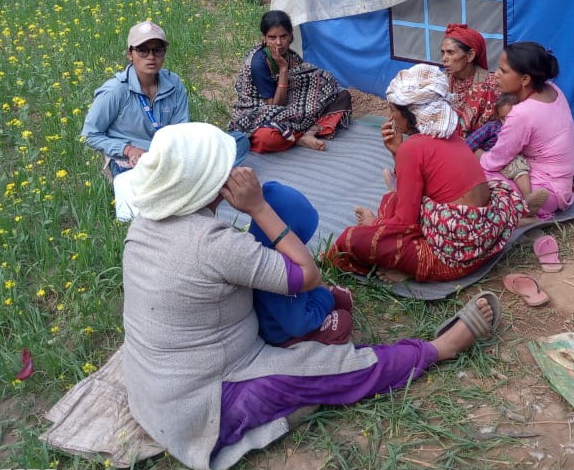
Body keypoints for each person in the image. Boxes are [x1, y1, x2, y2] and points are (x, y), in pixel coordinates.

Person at [119, 122, 501, 470]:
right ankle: (438, 349)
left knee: (306, 332)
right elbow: (307, 274)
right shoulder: (214, 245)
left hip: (150, 387)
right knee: (334, 367)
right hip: (205, 403)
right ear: (209, 182)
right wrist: (259, 207)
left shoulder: (143, 224)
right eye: (226, 169)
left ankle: (290, 403)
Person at [325, 64, 522, 283]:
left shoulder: (413, 148)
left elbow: (405, 222)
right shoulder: (451, 135)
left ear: (411, 113)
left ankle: (410, 267)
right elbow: (422, 186)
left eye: (392, 110)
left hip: (452, 259)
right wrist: (397, 154)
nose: (389, 118)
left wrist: (373, 226)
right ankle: (397, 248)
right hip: (484, 240)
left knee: (350, 239)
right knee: (392, 199)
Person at [479, 41, 574, 220]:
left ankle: (522, 213)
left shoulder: (521, 114)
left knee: (477, 175)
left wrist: (479, 157)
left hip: (545, 191)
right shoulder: (553, 89)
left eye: (503, 71)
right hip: (562, 183)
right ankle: (522, 212)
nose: (496, 75)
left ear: (525, 79)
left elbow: (497, 159)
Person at [249, 180, 354, 347]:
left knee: (340, 298)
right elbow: (298, 325)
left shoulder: (261, 251)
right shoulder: (278, 273)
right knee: (342, 322)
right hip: (284, 335)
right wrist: (325, 296)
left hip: (292, 308)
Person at [81, 20, 190, 179]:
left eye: (157, 50)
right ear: (130, 54)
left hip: (167, 157)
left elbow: (182, 129)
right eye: (143, 51)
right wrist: (127, 150)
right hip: (128, 161)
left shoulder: (174, 84)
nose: (151, 57)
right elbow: (90, 135)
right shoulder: (115, 91)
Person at [229, 10, 351, 152]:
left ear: (291, 36)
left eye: (283, 36)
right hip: (261, 116)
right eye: (272, 37)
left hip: (292, 110)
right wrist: (283, 70)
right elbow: (275, 106)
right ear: (264, 38)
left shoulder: (291, 56)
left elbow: (305, 84)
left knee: (342, 95)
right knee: (266, 138)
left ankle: (309, 132)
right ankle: (298, 138)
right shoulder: (258, 63)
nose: (278, 43)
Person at [440, 23, 500, 137]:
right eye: (443, 52)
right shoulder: (441, 82)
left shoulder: (491, 86)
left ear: (470, 55)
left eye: (450, 52)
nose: (444, 59)